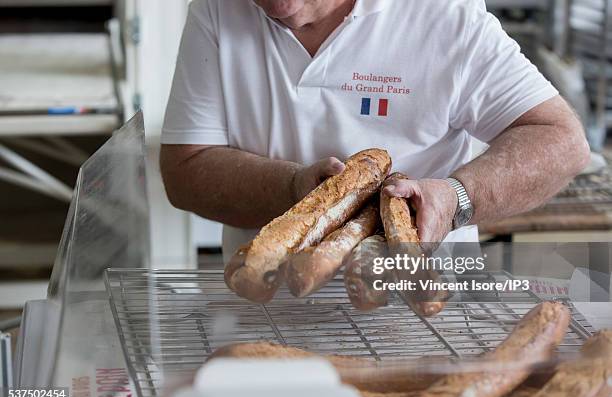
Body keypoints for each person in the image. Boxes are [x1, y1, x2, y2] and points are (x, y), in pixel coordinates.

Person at [160, 0, 589, 262]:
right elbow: (185, 169)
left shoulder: (443, 16)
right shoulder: (215, 10)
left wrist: (454, 199)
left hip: (421, 318)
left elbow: (559, 138)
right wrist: (293, 188)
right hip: (265, 311)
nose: (279, 6)